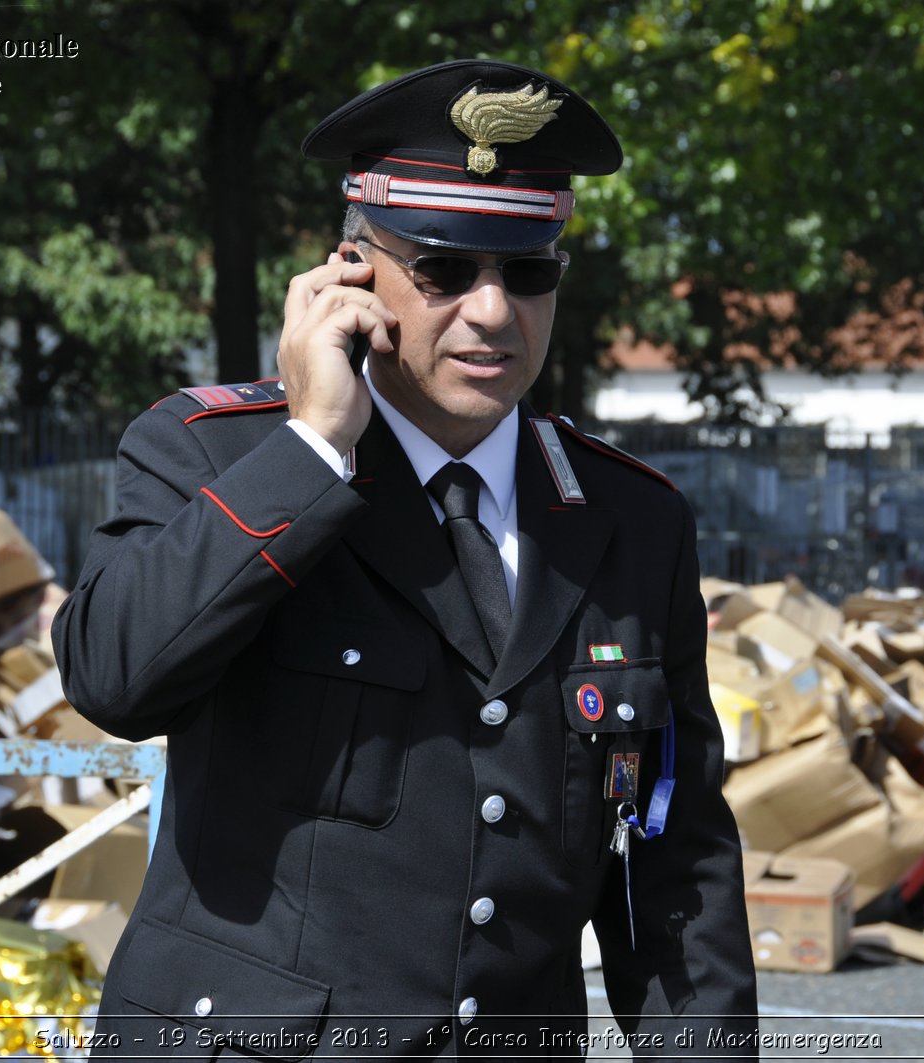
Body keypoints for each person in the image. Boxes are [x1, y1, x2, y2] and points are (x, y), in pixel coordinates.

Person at [53, 59, 759, 1059]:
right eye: (442, 269)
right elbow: (114, 678)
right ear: (350, 275)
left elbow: (670, 851)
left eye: (526, 271)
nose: (489, 309)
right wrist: (311, 449)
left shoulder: (630, 519)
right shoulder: (215, 454)